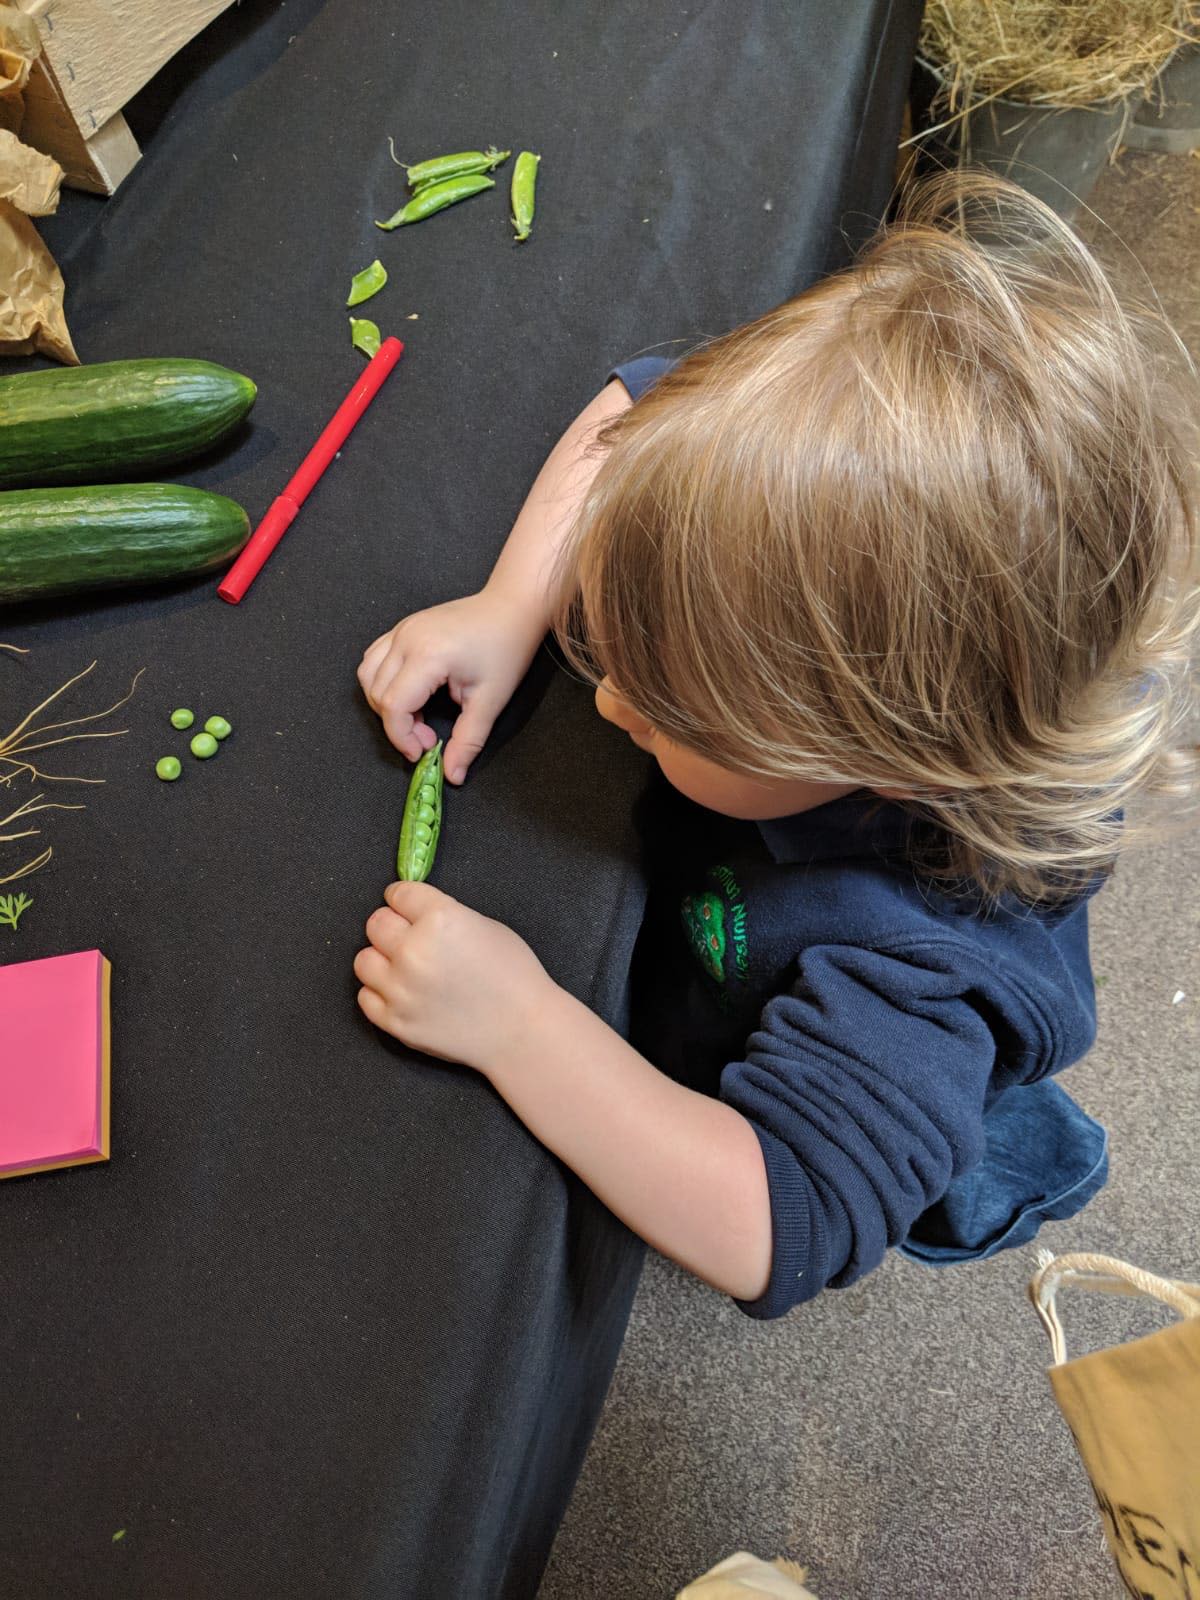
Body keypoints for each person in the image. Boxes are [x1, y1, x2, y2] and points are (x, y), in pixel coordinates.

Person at [353, 171, 1199, 1319]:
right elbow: (627, 417)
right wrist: (512, 602)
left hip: (776, 1067)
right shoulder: (789, 538)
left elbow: (782, 1218)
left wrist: (520, 1026)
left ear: (888, 753)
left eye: (671, 706)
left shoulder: (930, 964)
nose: (608, 705)